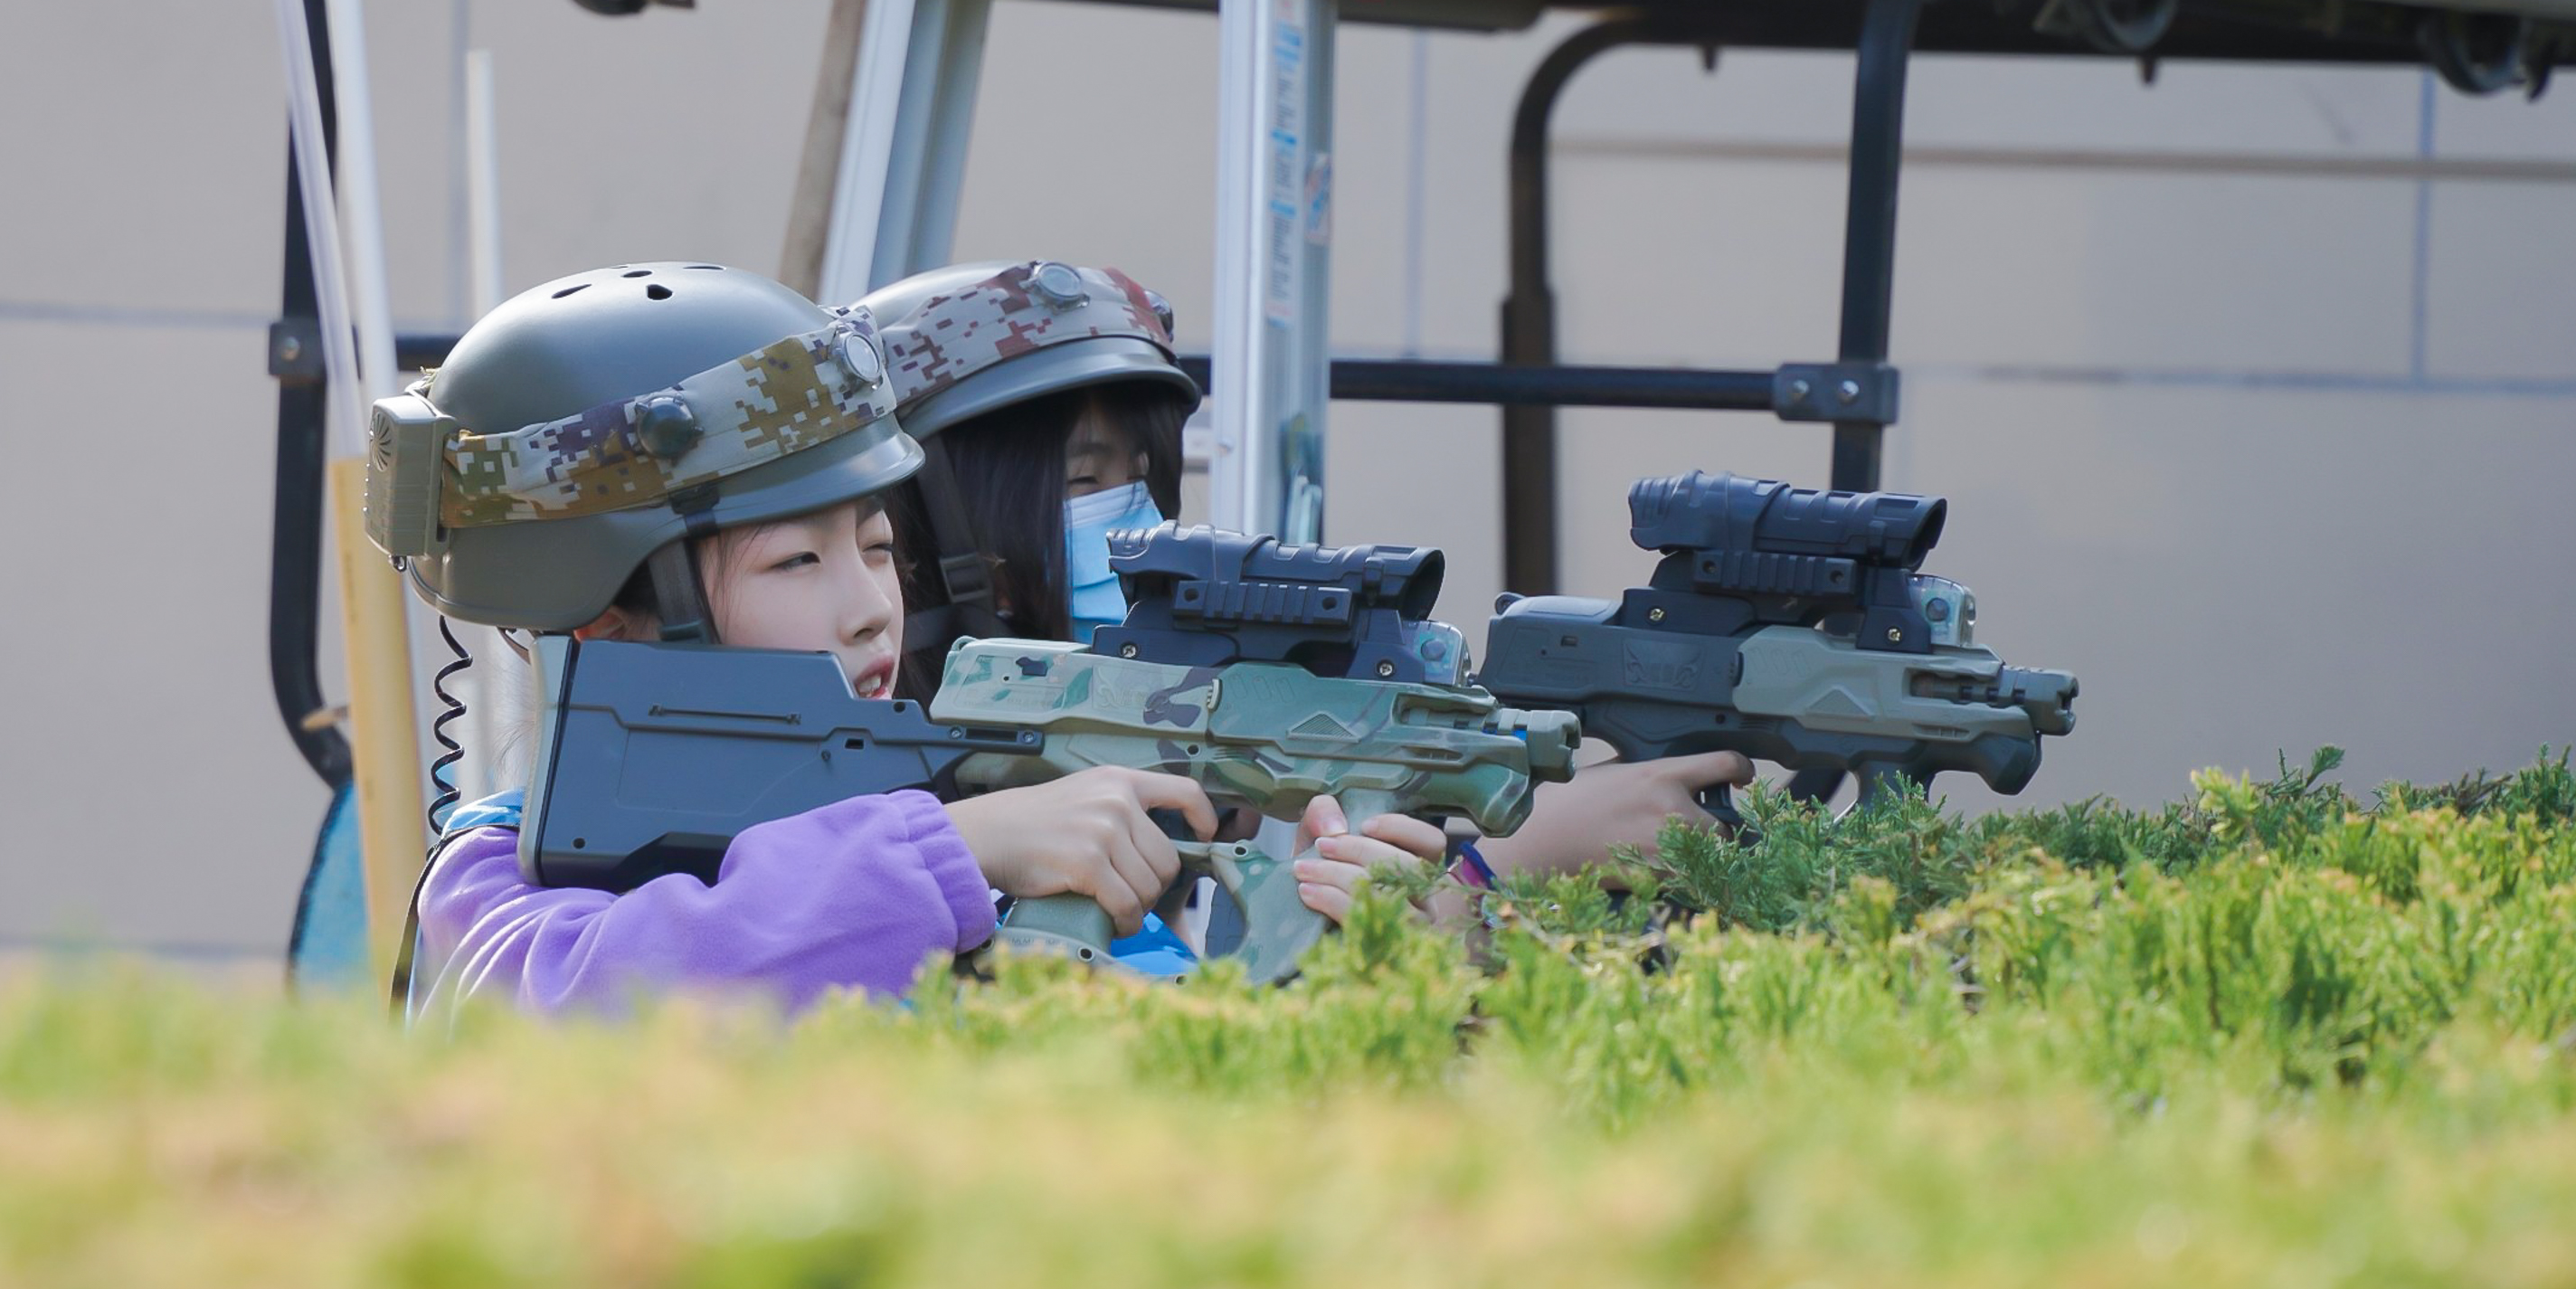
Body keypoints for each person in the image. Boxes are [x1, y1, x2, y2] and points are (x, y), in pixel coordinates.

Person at [393, 262, 1434, 1019]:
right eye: (795, 561)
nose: (870, 607)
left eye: (878, 546)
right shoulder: (495, 876)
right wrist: (955, 852)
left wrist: (1346, 959)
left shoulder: (946, 843)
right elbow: (579, 1007)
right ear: (608, 626)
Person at [856, 259, 1756, 891]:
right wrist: (1491, 873)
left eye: (1144, 479)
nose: (1135, 524)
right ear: (941, 537)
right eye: (1085, 483)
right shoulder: (882, 813)